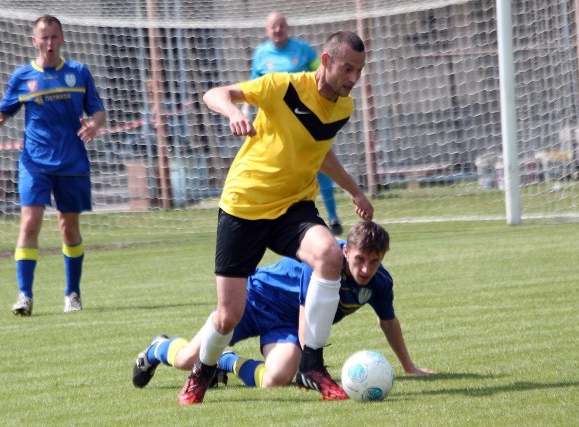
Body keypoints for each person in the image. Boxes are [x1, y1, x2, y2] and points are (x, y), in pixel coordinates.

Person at [173, 30, 374, 405]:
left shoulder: (343, 108)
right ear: (326, 62)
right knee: (228, 315)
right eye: (347, 69)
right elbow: (215, 93)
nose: (353, 79)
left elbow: (320, 151)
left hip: (292, 207)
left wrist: (354, 190)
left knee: (330, 255)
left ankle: (313, 365)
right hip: (245, 205)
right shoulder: (283, 87)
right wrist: (234, 112)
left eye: (359, 71)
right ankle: (202, 371)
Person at [132, 221, 434, 394]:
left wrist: (408, 366)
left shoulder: (379, 284)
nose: (366, 268)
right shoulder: (323, 260)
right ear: (346, 251)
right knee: (187, 359)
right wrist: (311, 370)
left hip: (284, 326)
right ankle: (157, 348)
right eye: (359, 260)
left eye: (374, 261)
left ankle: (226, 363)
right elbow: (308, 310)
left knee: (276, 380)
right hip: (253, 301)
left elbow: (388, 321)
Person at [0, 15, 106, 316]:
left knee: (69, 229)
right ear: (33, 41)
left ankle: (72, 293)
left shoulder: (78, 72)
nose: (49, 43)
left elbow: (98, 110)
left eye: (54, 37)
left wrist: (94, 125)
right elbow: (4, 108)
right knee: (29, 223)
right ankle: (24, 296)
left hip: (72, 161)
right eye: (44, 37)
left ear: (61, 39)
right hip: (34, 161)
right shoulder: (23, 76)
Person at [249, 11, 343, 235]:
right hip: (274, 128)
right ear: (266, 30)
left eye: (281, 26)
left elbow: (322, 76)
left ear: (287, 27)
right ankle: (273, 219)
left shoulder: (303, 50)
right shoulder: (261, 55)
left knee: (321, 165)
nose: (277, 30)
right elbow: (252, 89)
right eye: (273, 26)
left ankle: (333, 217)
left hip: (306, 123)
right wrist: (245, 114)